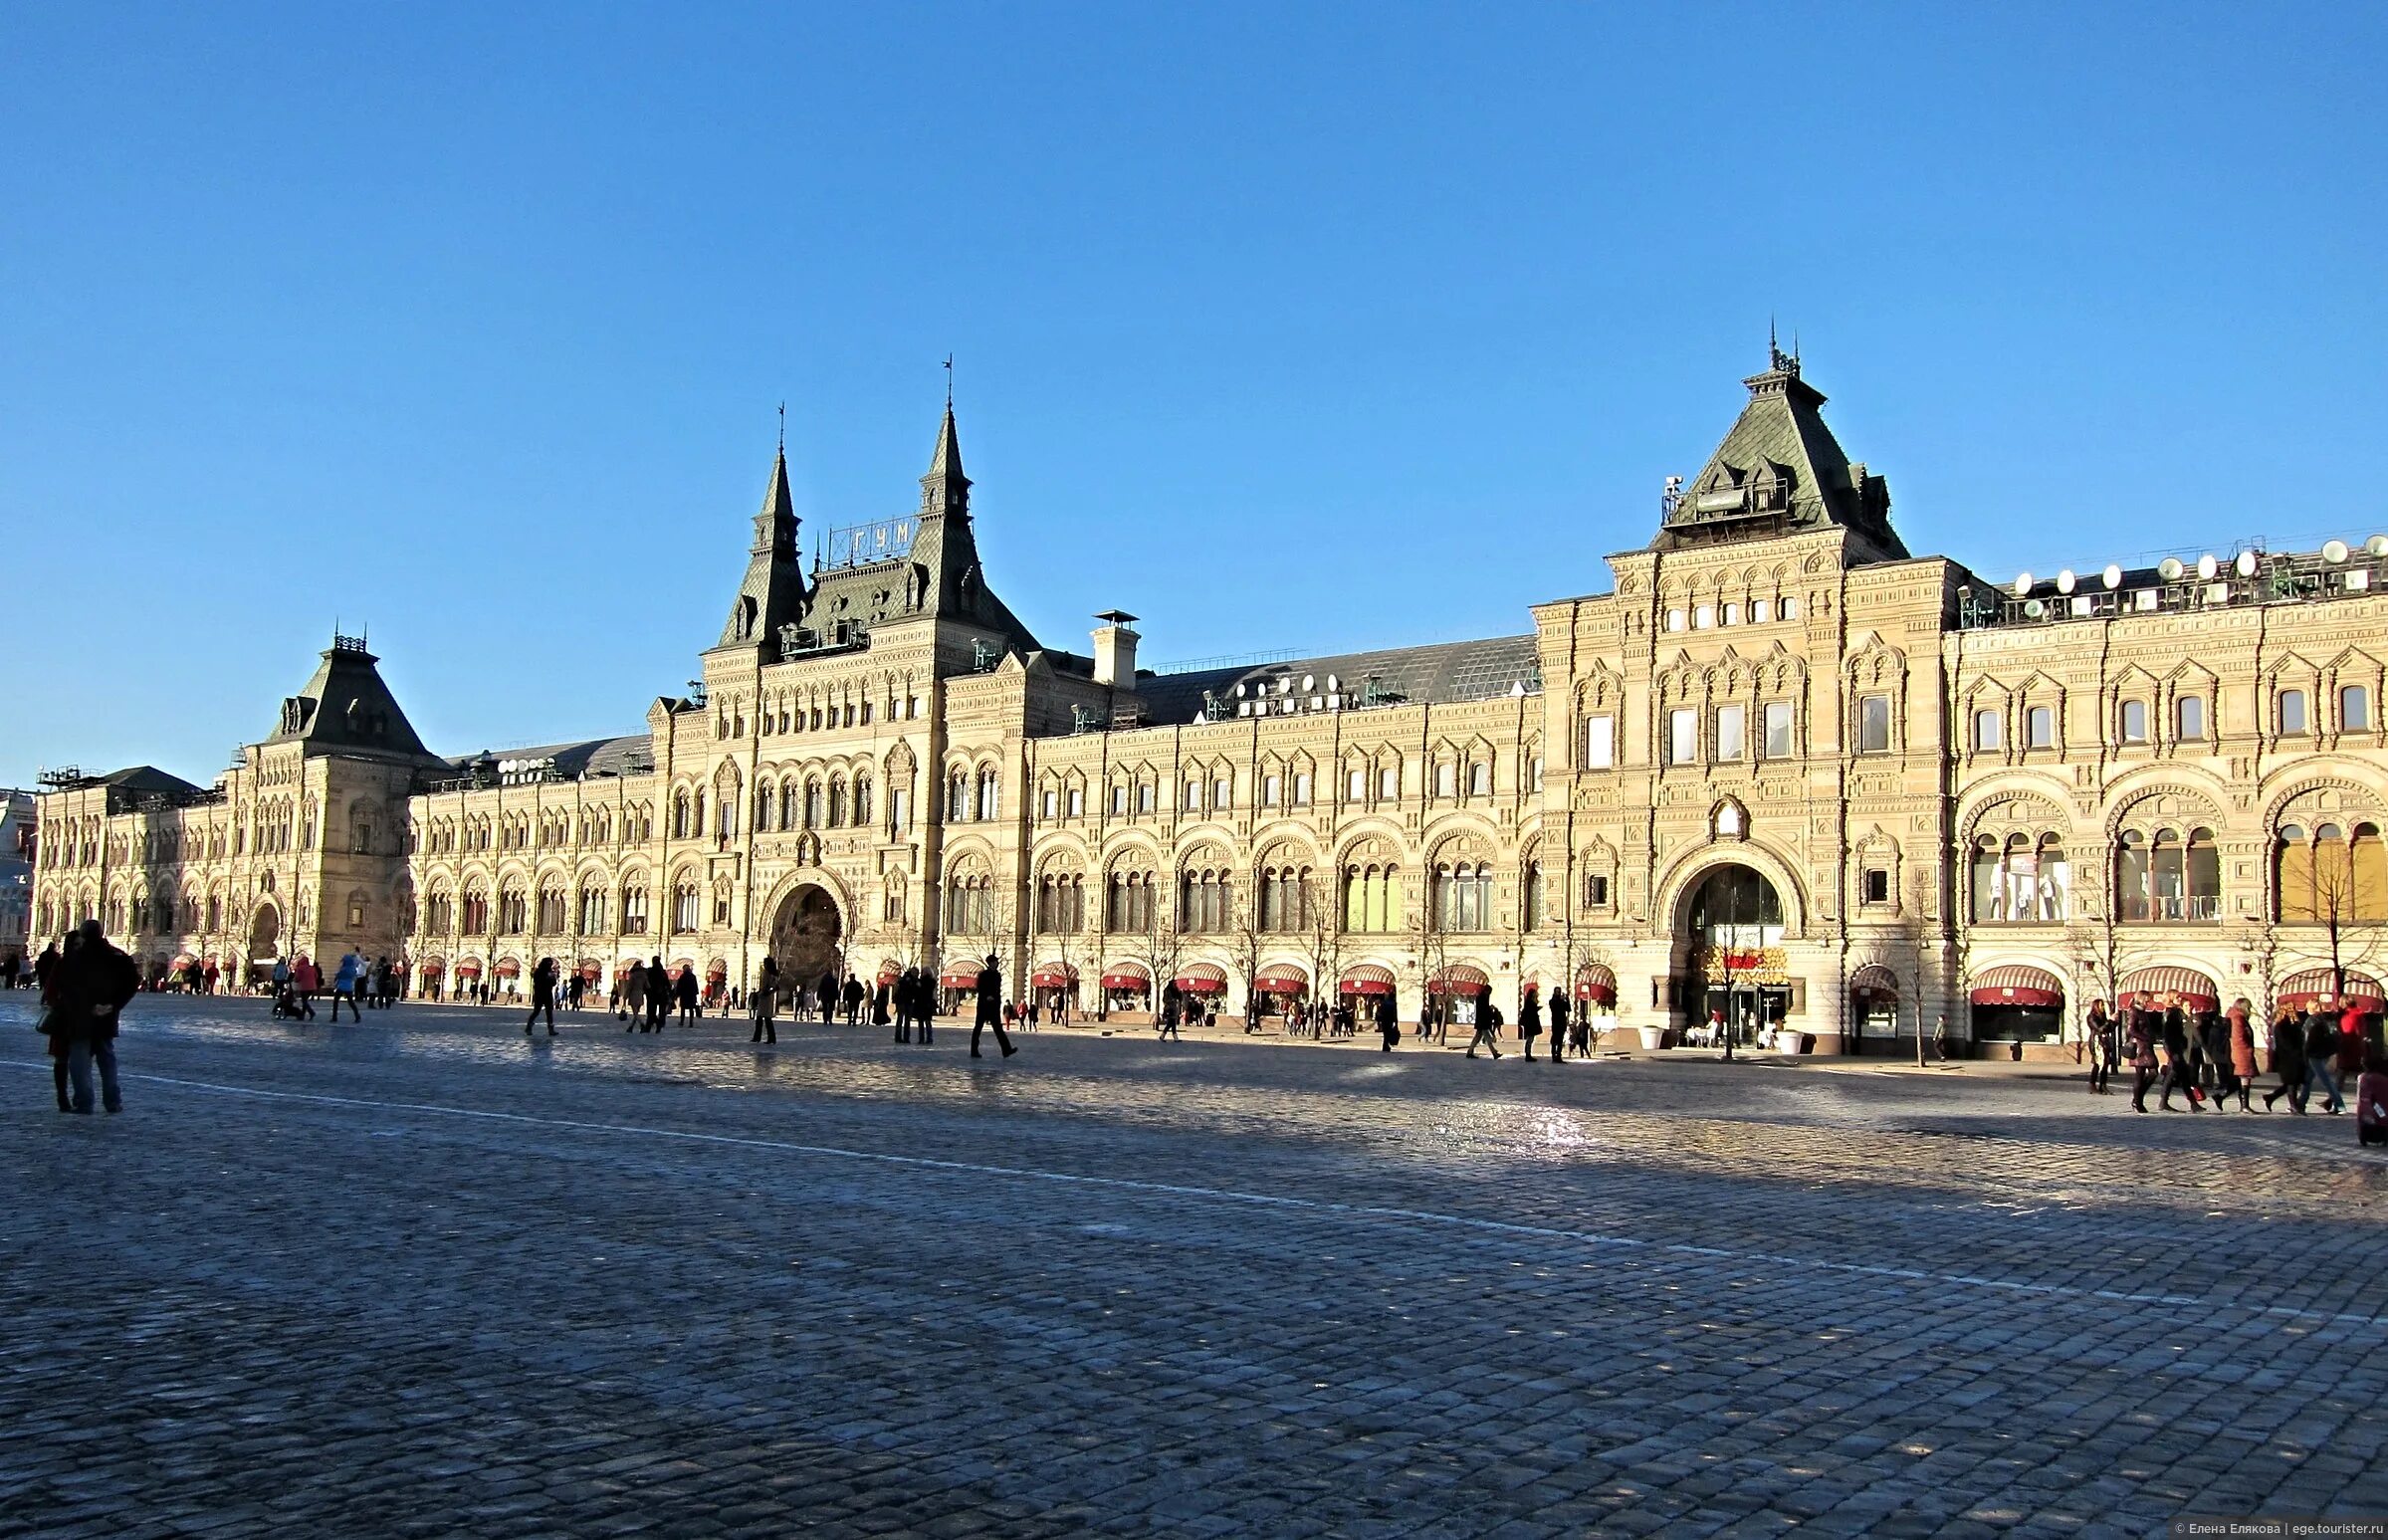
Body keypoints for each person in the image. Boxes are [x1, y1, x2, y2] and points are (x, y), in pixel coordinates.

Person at [56, 920, 138, 1114]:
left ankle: (84, 1103)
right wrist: (112, 1005)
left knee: (80, 1060)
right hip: (107, 1016)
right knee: (107, 1058)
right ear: (101, 933)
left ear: (83, 935)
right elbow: (132, 982)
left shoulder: (75, 958)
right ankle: (113, 1102)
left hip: (80, 1017)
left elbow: (66, 987)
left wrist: (89, 1007)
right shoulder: (117, 956)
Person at [37, 931, 82, 1111]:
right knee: (61, 1058)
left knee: (80, 1058)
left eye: (81, 944)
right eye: (76, 945)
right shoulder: (61, 963)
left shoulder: (87, 965)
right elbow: (50, 988)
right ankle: (62, 1096)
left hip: (81, 1018)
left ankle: (80, 1096)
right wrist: (58, 1004)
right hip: (64, 1017)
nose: (79, 948)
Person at [2263, 1005, 2308, 1113]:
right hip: (2287, 1057)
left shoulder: (2294, 1024)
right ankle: (2293, 1105)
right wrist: (2295, 1052)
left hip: (2295, 1056)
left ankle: (2271, 1097)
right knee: (2292, 1081)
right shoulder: (2281, 1025)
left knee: (2293, 1082)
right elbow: (2284, 1043)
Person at [972, 954, 1015, 1059]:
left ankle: (1006, 1050)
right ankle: (974, 1051)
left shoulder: (997, 975)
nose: (996, 964)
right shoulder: (983, 975)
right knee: (978, 1028)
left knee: (998, 1029)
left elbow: (997, 989)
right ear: (990, 963)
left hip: (994, 1006)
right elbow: (980, 988)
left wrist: (996, 1000)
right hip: (983, 1005)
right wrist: (987, 996)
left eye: (997, 962)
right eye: (995, 962)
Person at [2303, 1007, 2347, 1114]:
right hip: (2324, 1054)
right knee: (2308, 1080)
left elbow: (2308, 1041)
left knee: (2326, 1081)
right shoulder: (2333, 1026)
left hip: (2314, 1055)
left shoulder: (2315, 1025)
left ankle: (2340, 1105)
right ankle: (2301, 1103)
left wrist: (2305, 1053)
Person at [2158, 1003, 2201, 1112]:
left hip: (2178, 1048)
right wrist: (2174, 1051)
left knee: (2184, 1076)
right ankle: (2163, 1101)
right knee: (2172, 1075)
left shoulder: (2178, 1015)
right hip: (2174, 1050)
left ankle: (2193, 1103)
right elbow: (2169, 1035)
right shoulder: (2172, 1015)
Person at [2225, 998, 2259, 1112]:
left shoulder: (2237, 1017)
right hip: (2241, 1051)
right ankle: (2244, 1105)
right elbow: (2238, 1037)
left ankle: (2242, 1104)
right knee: (2245, 1077)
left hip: (2240, 1051)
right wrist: (2248, 1049)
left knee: (2242, 1079)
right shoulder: (2238, 1018)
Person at [2127, 1010, 2159, 1113]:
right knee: (2140, 1074)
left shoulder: (2143, 1012)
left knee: (2153, 1073)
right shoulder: (2134, 1012)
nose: (2147, 1001)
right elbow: (2131, 1030)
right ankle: (2137, 1102)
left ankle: (2137, 1098)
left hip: (2147, 1047)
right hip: (2139, 1047)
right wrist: (2146, 1038)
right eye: (2146, 999)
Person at [2084, 998, 2115, 1095]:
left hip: (2104, 1041)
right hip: (2097, 1042)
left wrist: (2114, 1022)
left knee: (2105, 1063)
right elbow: (2099, 1029)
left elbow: (2108, 1029)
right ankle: (2092, 1085)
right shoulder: (2091, 1017)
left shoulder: (2103, 1016)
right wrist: (2109, 1021)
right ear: (2096, 1006)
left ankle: (2103, 1085)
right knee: (2098, 1063)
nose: (2103, 1007)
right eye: (2101, 1005)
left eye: (2103, 1005)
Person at [2357, 1052, 2388, 1148]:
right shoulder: (2383, 1079)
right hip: (2379, 1107)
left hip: (2366, 1108)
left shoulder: (2362, 1077)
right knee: (2383, 1116)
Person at [752, 957, 779, 1044]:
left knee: (760, 1018)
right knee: (767, 1019)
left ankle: (757, 1037)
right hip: (769, 997)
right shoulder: (774, 974)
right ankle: (771, 1038)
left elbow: (763, 985)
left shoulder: (766, 973)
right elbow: (776, 987)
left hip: (764, 997)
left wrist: (761, 992)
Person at [331, 950, 364, 1023]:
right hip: (349, 987)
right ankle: (357, 1016)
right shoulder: (353, 969)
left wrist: (337, 974)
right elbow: (354, 977)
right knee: (351, 1002)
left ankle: (334, 1017)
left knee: (336, 1002)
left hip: (341, 986)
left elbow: (339, 976)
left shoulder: (344, 969)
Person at [1519, 986, 1544, 1063]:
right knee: (1530, 1039)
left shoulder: (1529, 1002)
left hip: (1530, 1023)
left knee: (1530, 1039)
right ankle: (1528, 1055)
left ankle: (1528, 1054)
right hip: (1530, 1023)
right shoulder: (1530, 1002)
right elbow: (1530, 1011)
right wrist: (1536, 1008)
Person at [647, 956, 669, 1030]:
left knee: (651, 1012)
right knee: (662, 1011)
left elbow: (647, 983)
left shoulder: (650, 971)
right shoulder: (663, 972)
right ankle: (660, 1024)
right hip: (662, 994)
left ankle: (650, 1025)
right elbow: (667, 984)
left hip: (652, 994)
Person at [622, 961, 646, 1029]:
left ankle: (642, 1025)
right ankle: (631, 1027)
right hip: (640, 995)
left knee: (635, 1013)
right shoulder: (644, 975)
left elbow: (629, 987)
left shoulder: (633, 976)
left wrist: (625, 996)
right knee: (636, 1013)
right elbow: (647, 986)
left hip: (633, 995)